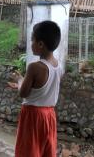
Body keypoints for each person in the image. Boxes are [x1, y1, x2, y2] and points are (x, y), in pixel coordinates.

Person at [8, 21, 63, 157]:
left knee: (29, 151)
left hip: (33, 116)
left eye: (32, 39)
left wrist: (20, 80)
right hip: (49, 116)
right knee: (46, 151)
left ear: (40, 44)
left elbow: (23, 93)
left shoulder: (35, 67)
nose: (30, 43)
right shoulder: (59, 66)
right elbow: (43, 91)